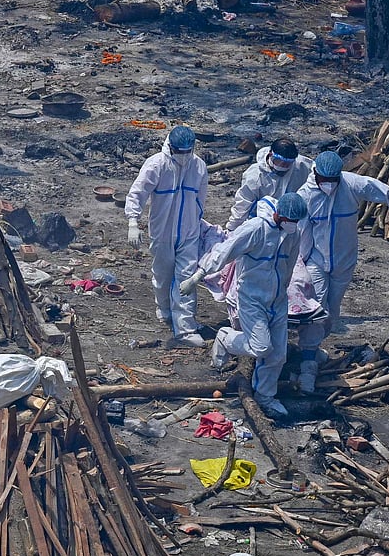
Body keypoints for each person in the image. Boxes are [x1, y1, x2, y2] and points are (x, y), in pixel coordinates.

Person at [295, 151, 389, 392]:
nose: (329, 185)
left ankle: (310, 349)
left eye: (333, 180)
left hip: (344, 261)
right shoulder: (306, 195)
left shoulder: (351, 184)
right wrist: (298, 265)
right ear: (316, 174)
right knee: (316, 309)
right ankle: (307, 365)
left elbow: (387, 193)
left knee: (332, 313)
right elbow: (300, 234)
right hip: (316, 260)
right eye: (325, 180)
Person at [181, 193, 306, 417]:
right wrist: (198, 276)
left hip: (277, 300)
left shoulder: (292, 234)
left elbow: (289, 265)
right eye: (290, 220)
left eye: (296, 222)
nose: (293, 225)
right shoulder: (256, 229)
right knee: (260, 347)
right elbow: (225, 250)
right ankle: (225, 338)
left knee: (278, 355)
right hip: (252, 298)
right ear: (279, 215)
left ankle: (265, 396)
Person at [125, 125, 209, 347]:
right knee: (163, 273)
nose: (183, 157)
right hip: (162, 231)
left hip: (189, 231)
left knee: (186, 277)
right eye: (179, 152)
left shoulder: (199, 166)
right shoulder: (157, 165)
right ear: (171, 147)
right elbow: (137, 192)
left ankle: (185, 328)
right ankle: (163, 307)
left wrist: (197, 223)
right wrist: (133, 221)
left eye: (187, 152)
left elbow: (201, 199)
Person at [225, 138, 313, 231]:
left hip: (292, 222)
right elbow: (243, 204)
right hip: (263, 223)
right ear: (271, 155)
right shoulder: (255, 176)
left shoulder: (301, 165)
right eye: (281, 162)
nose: (284, 167)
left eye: (288, 164)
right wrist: (233, 228)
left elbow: (319, 173)